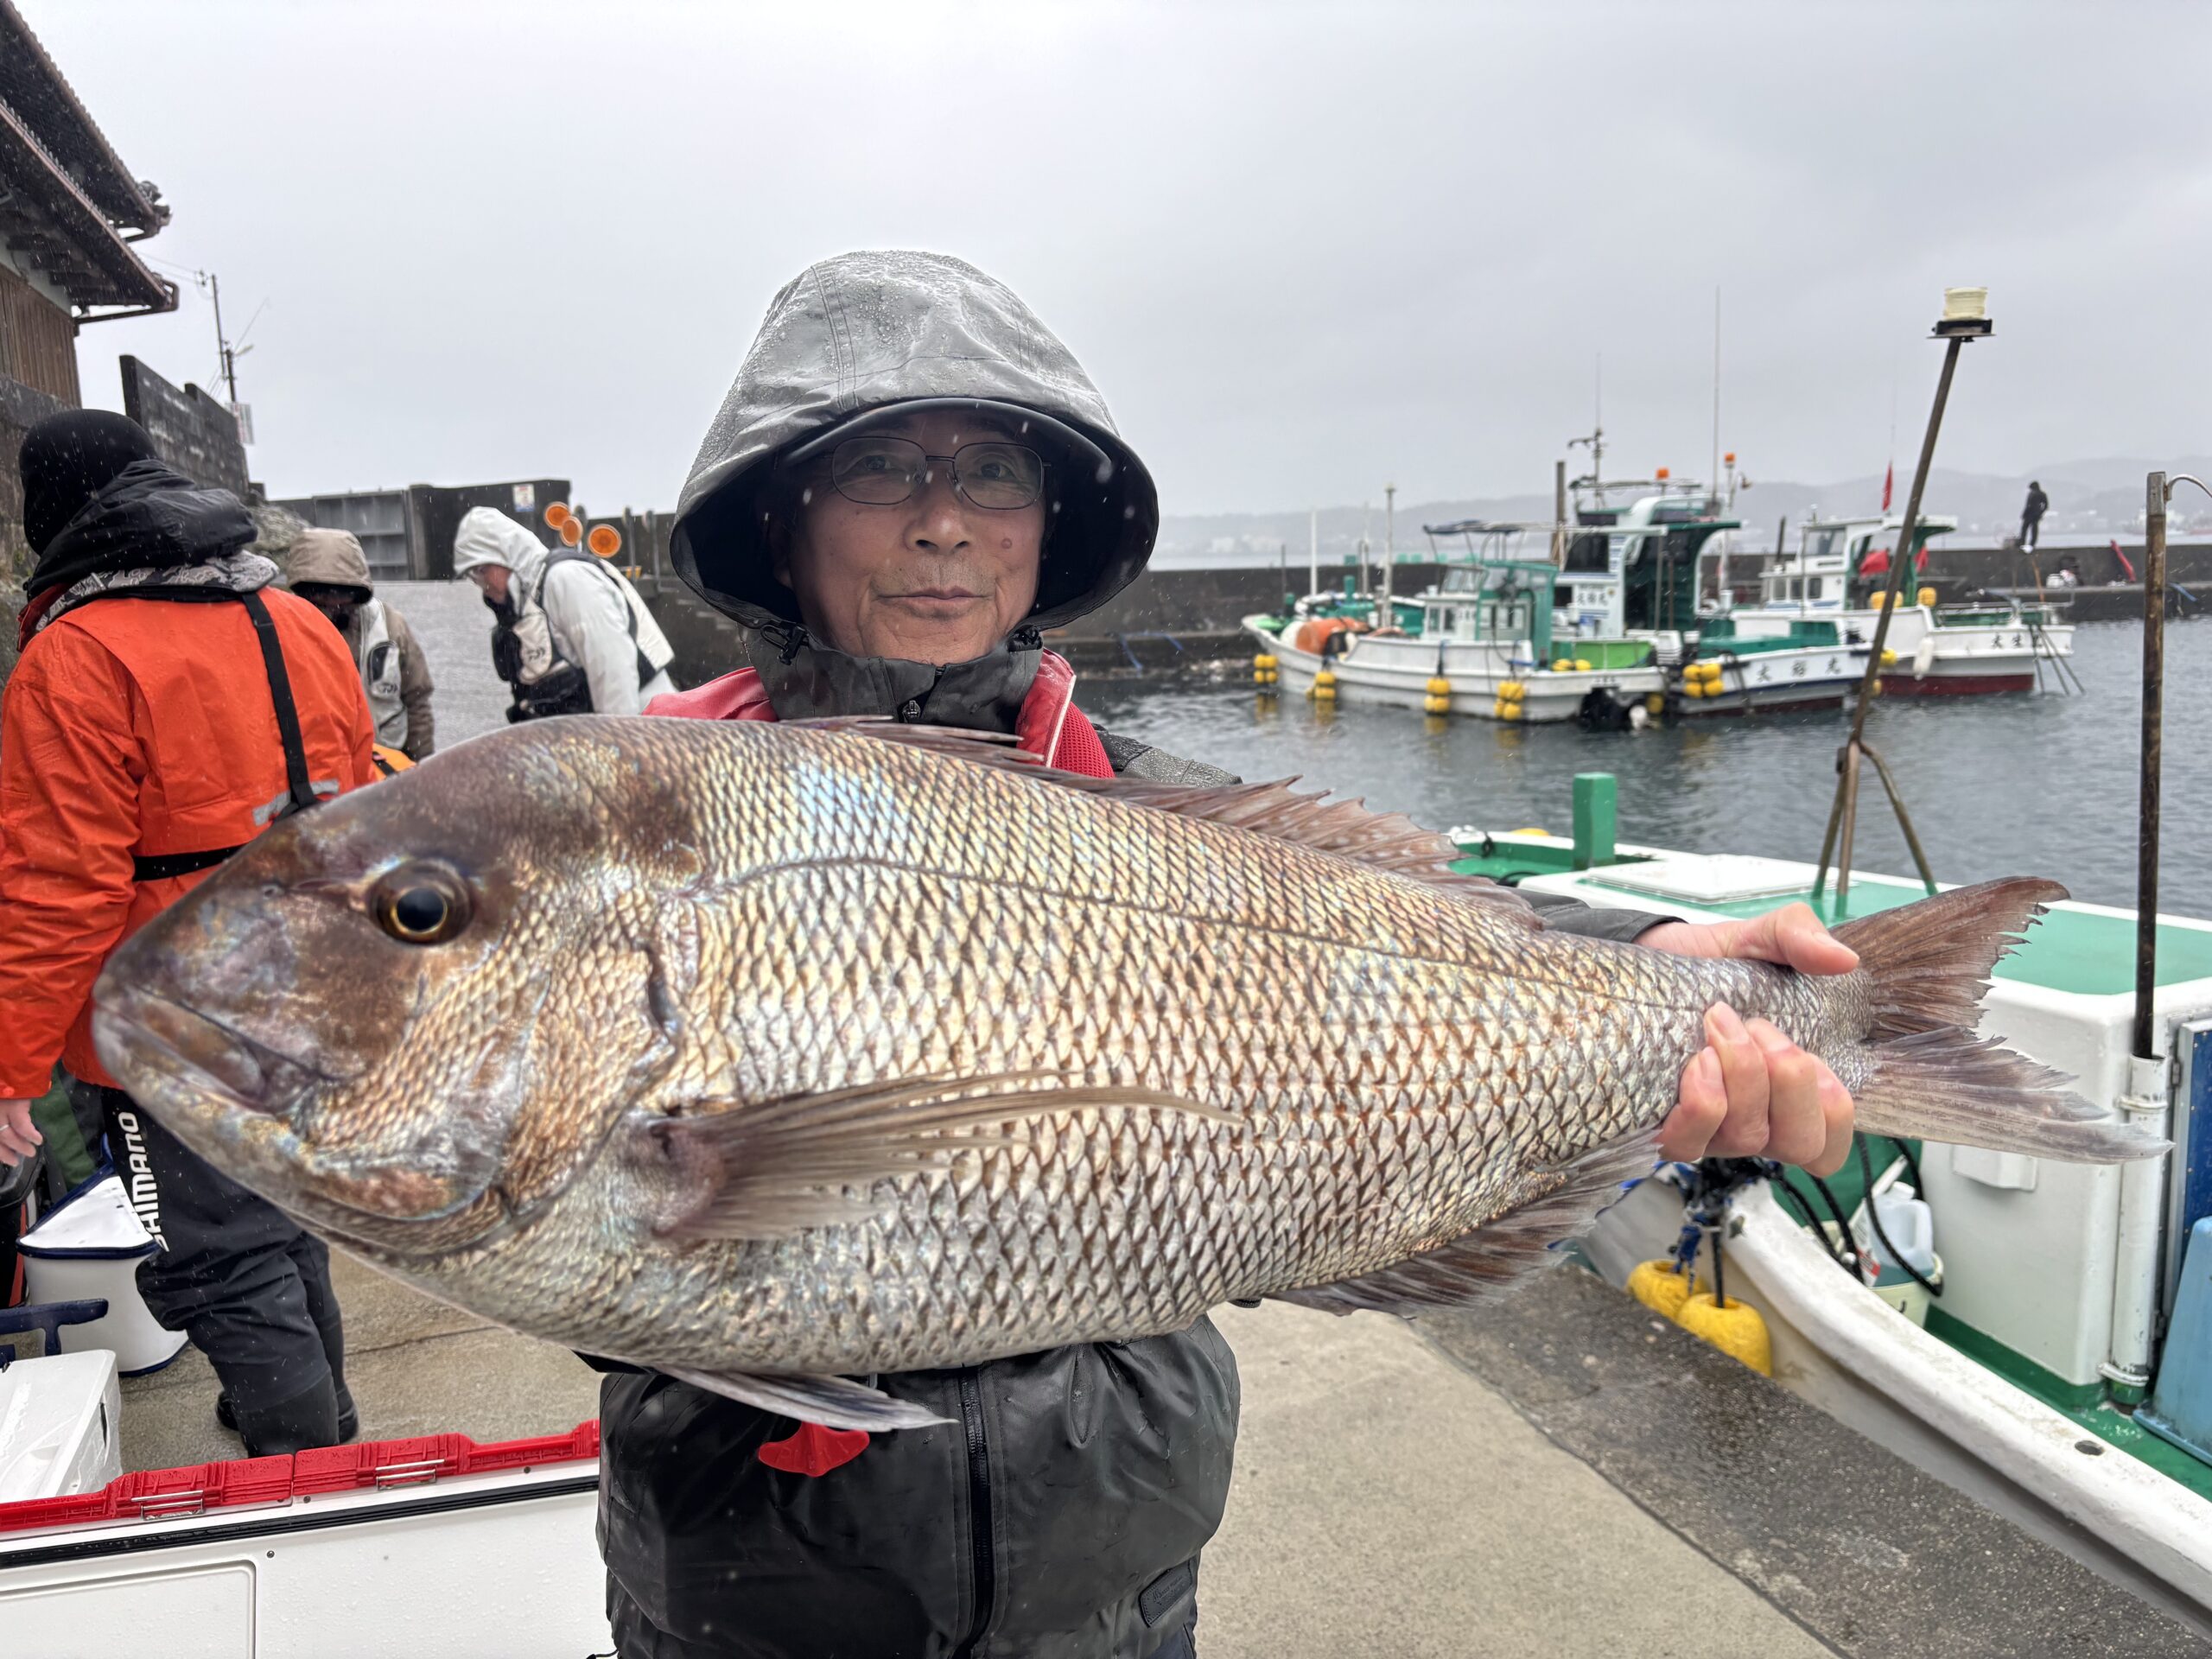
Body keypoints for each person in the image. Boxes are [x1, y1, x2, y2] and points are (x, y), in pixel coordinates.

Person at [592, 250, 1859, 1659]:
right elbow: (563, 1221)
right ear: (784, 517)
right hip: (755, 1604)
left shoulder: (1152, 807)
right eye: (885, 473)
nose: (946, 525)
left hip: (1114, 1582)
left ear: (1048, 527)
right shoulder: (651, 820)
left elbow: (1394, 926)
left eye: (994, 476)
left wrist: (1666, 959)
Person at [0, 410, 376, 1455]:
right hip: (314, 983)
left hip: (171, 1016)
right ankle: (324, 1423)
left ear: (54, 515)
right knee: (283, 1221)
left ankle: (305, 1469)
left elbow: (55, 886)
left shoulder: (76, 656)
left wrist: (10, 1065)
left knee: (217, 1255)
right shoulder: (297, 620)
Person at [451, 506, 676, 718]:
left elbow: (612, 672)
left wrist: (617, 749)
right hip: (593, 739)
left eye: (481, 571)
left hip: (644, 728)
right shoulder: (527, 605)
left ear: (506, 556)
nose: (482, 584)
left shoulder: (565, 580)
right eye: (472, 577)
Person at [288, 525, 437, 760]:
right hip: (315, 776)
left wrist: (423, 768)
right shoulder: (280, 631)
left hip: (386, 767)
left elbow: (417, 702)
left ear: (357, 590)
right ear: (302, 590)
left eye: (340, 591)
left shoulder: (391, 626)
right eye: (320, 592)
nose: (332, 600)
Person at [2021, 480, 2049, 551]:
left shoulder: (2039, 494)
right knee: (2026, 529)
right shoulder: (2032, 494)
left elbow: (2045, 506)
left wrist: (2039, 513)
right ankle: (2024, 543)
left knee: (2032, 529)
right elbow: (2028, 505)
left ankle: (2030, 543)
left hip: (2034, 514)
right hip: (2030, 514)